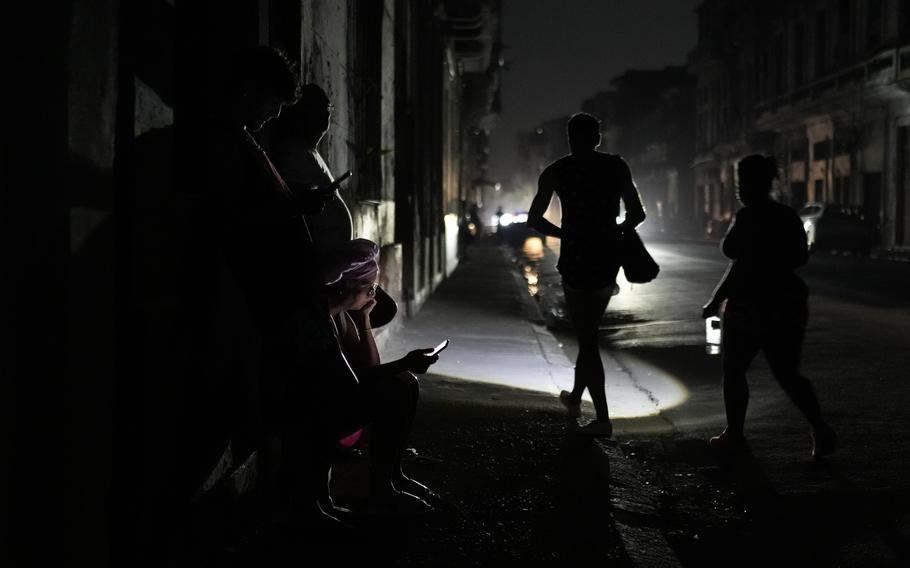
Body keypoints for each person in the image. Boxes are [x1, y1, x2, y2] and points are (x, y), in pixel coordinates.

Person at [208, 47, 358, 528]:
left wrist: (299, 204)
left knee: (316, 397)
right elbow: (240, 221)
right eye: (274, 102)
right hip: (274, 296)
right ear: (249, 91)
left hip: (290, 291)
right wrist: (297, 208)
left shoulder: (248, 142)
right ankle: (302, 503)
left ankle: (312, 498)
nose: (276, 113)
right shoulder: (228, 146)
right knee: (318, 399)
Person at [701, 154, 836, 458]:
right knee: (788, 373)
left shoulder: (748, 216)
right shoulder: (787, 216)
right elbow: (799, 257)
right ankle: (819, 427)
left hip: (750, 305)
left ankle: (735, 434)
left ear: (748, 184)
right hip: (787, 302)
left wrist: (717, 300)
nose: (739, 190)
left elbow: (734, 256)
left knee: (734, 369)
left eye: (740, 183)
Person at [528, 113, 646, 437]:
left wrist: (567, 235)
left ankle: (603, 419)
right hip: (607, 260)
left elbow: (534, 219)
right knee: (588, 333)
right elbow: (637, 213)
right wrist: (614, 232)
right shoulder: (616, 166)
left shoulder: (557, 171)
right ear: (598, 138)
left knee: (587, 337)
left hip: (577, 261)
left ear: (569, 139)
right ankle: (577, 397)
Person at [319, 238, 441, 512]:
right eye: (370, 288)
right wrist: (404, 362)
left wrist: (363, 321)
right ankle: (382, 489)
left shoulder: (343, 316)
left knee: (405, 381)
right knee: (396, 388)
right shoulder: (319, 320)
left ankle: (392, 477)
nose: (373, 296)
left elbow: (370, 368)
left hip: (335, 400)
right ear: (348, 286)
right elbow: (353, 379)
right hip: (315, 412)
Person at [272, 83, 398, 328]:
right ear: (299, 114)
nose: (325, 120)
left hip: (329, 263)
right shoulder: (290, 151)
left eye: (328, 112)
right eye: (317, 112)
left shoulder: (311, 151)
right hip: (313, 261)